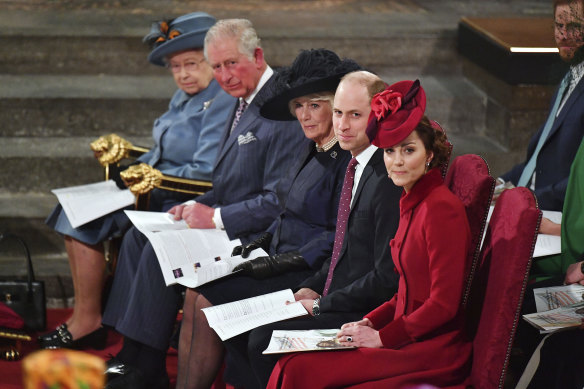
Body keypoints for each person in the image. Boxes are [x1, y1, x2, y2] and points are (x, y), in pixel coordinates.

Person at [101, 19, 306, 389]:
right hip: (233, 218)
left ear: (257, 56)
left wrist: (215, 216)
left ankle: (145, 365)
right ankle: (133, 353)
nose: (224, 75)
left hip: (262, 235)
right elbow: (228, 181)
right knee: (141, 235)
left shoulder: (280, 107)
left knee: (157, 248)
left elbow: (279, 200)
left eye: (231, 63)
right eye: (216, 66)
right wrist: (195, 204)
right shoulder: (238, 98)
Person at [39, 11, 234, 349]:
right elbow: (161, 152)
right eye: (176, 67)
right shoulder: (184, 97)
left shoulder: (222, 99)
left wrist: (148, 177)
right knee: (70, 209)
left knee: (81, 219)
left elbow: (205, 171)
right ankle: (84, 315)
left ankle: (89, 320)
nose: (184, 74)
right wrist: (130, 163)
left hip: (180, 195)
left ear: (212, 60)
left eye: (192, 63)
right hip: (155, 184)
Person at [264, 80, 472, 389]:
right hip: (399, 331)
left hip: (428, 346)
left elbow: (443, 305)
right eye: (390, 151)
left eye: (409, 150)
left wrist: (382, 336)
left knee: (299, 368)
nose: (397, 161)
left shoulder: (441, 208)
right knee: (291, 360)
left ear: (430, 155)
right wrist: (371, 320)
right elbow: (405, 291)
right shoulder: (411, 200)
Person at [176, 48, 360, 389]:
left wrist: (277, 263)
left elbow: (336, 236)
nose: (304, 115)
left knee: (204, 301)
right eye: (299, 106)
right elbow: (286, 209)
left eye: (315, 105)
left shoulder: (344, 160)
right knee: (193, 289)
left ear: (335, 108)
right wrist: (259, 244)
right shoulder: (310, 147)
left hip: (306, 270)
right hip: (277, 258)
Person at [238, 70, 402, 389]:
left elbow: (386, 277)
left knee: (262, 340)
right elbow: (343, 249)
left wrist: (319, 305)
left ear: (379, 116)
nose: (341, 125)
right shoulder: (357, 167)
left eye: (355, 115)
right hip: (333, 295)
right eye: (339, 113)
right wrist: (312, 286)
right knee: (245, 328)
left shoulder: (386, 179)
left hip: (364, 314)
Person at [497, 0, 584, 213]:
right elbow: (539, 159)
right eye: (558, 26)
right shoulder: (570, 77)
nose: (563, 35)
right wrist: (498, 184)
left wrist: (529, 201)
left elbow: (577, 185)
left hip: (558, 216)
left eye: (573, 27)